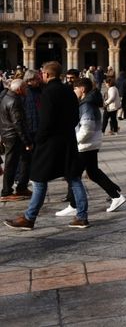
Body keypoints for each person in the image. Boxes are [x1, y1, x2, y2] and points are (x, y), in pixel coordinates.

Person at [4, 62, 90, 230]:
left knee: (38, 179)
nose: (41, 75)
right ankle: (82, 217)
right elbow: (75, 119)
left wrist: (37, 141)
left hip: (50, 143)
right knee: (73, 178)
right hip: (68, 140)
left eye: (42, 73)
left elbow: (45, 122)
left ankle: (29, 218)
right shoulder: (69, 91)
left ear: (47, 74)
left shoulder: (48, 93)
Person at [55, 78, 126, 216]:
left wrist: (75, 141)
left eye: (75, 89)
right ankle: (116, 196)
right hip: (92, 143)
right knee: (93, 172)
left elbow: (87, 128)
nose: (74, 91)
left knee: (73, 175)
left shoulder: (86, 105)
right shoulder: (90, 102)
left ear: (82, 89)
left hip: (85, 145)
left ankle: (74, 205)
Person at [0, 79, 32, 201]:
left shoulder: (7, 97)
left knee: (25, 160)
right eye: (25, 88)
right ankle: (6, 192)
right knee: (11, 164)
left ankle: (22, 187)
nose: (27, 90)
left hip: (9, 135)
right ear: (19, 89)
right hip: (14, 136)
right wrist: (27, 142)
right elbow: (18, 123)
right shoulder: (14, 101)